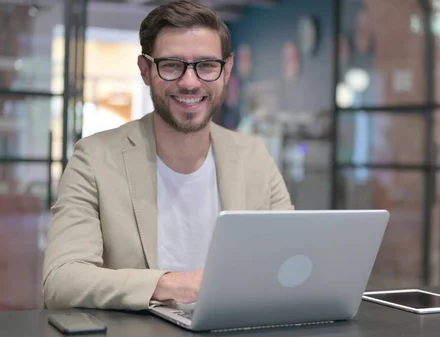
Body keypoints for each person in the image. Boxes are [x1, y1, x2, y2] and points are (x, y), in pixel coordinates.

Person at [42, 0, 293, 310]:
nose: (190, 82)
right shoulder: (93, 159)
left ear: (226, 71)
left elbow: (289, 261)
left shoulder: (254, 157)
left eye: (206, 65)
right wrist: (173, 284)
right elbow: (61, 279)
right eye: (172, 65)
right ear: (146, 71)